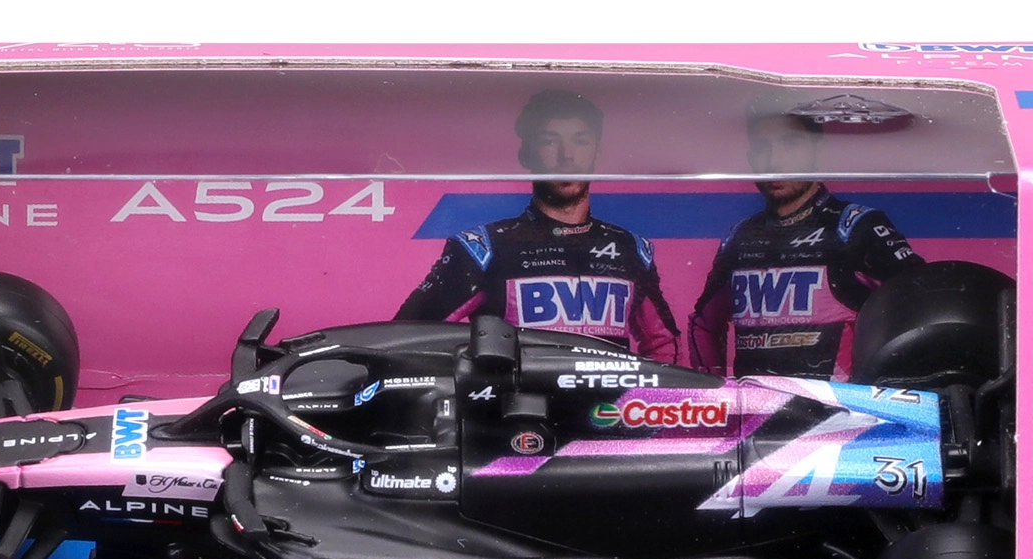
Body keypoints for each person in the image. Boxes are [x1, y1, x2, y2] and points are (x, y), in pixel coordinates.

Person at [396, 84, 680, 358]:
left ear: (597, 152)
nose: (567, 156)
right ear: (527, 154)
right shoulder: (484, 248)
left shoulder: (631, 249)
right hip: (521, 394)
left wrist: (650, 390)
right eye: (549, 141)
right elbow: (407, 338)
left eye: (581, 141)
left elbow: (664, 343)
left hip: (608, 394)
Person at [688, 91, 926, 375]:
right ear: (751, 159)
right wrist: (716, 391)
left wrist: (884, 389)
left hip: (834, 403)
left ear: (817, 151)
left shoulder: (856, 225)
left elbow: (923, 305)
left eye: (790, 144)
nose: (774, 161)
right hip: (754, 402)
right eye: (763, 148)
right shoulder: (739, 236)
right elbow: (704, 323)